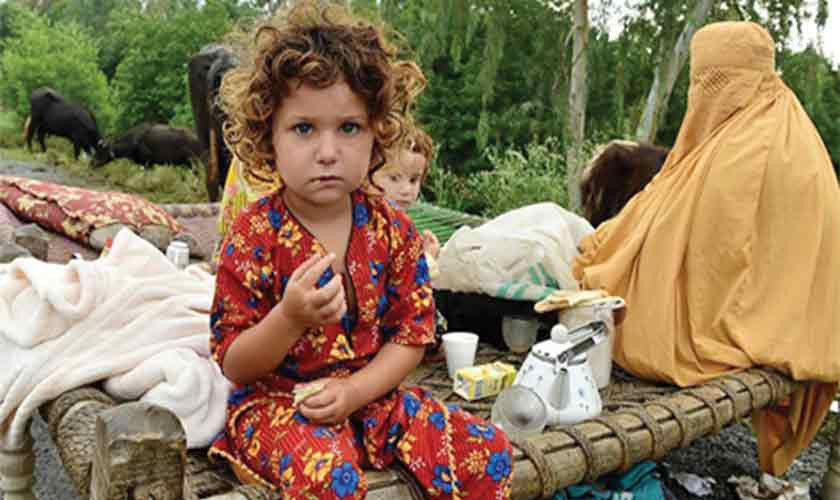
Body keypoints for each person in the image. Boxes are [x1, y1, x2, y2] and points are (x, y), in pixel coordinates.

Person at [208, 3, 513, 498]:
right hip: (281, 405)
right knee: (334, 479)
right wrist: (289, 318)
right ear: (269, 137)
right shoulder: (253, 236)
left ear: (376, 134)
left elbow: (412, 337)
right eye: (304, 128)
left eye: (349, 127)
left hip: (373, 398)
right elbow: (235, 363)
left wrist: (354, 391)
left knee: (489, 451)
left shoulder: (394, 232)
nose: (328, 152)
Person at [572, 21, 840, 476]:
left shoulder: (740, 151)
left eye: (709, 83)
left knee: (613, 296)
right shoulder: (797, 136)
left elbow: (701, 261)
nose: (703, 96)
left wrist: (614, 249)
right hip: (812, 326)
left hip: (739, 328)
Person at [370, 126, 447, 359]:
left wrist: (423, 254)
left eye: (414, 180)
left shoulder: (402, 223)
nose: (406, 190)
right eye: (394, 178)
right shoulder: (375, 222)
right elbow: (402, 279)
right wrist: (428, 260)